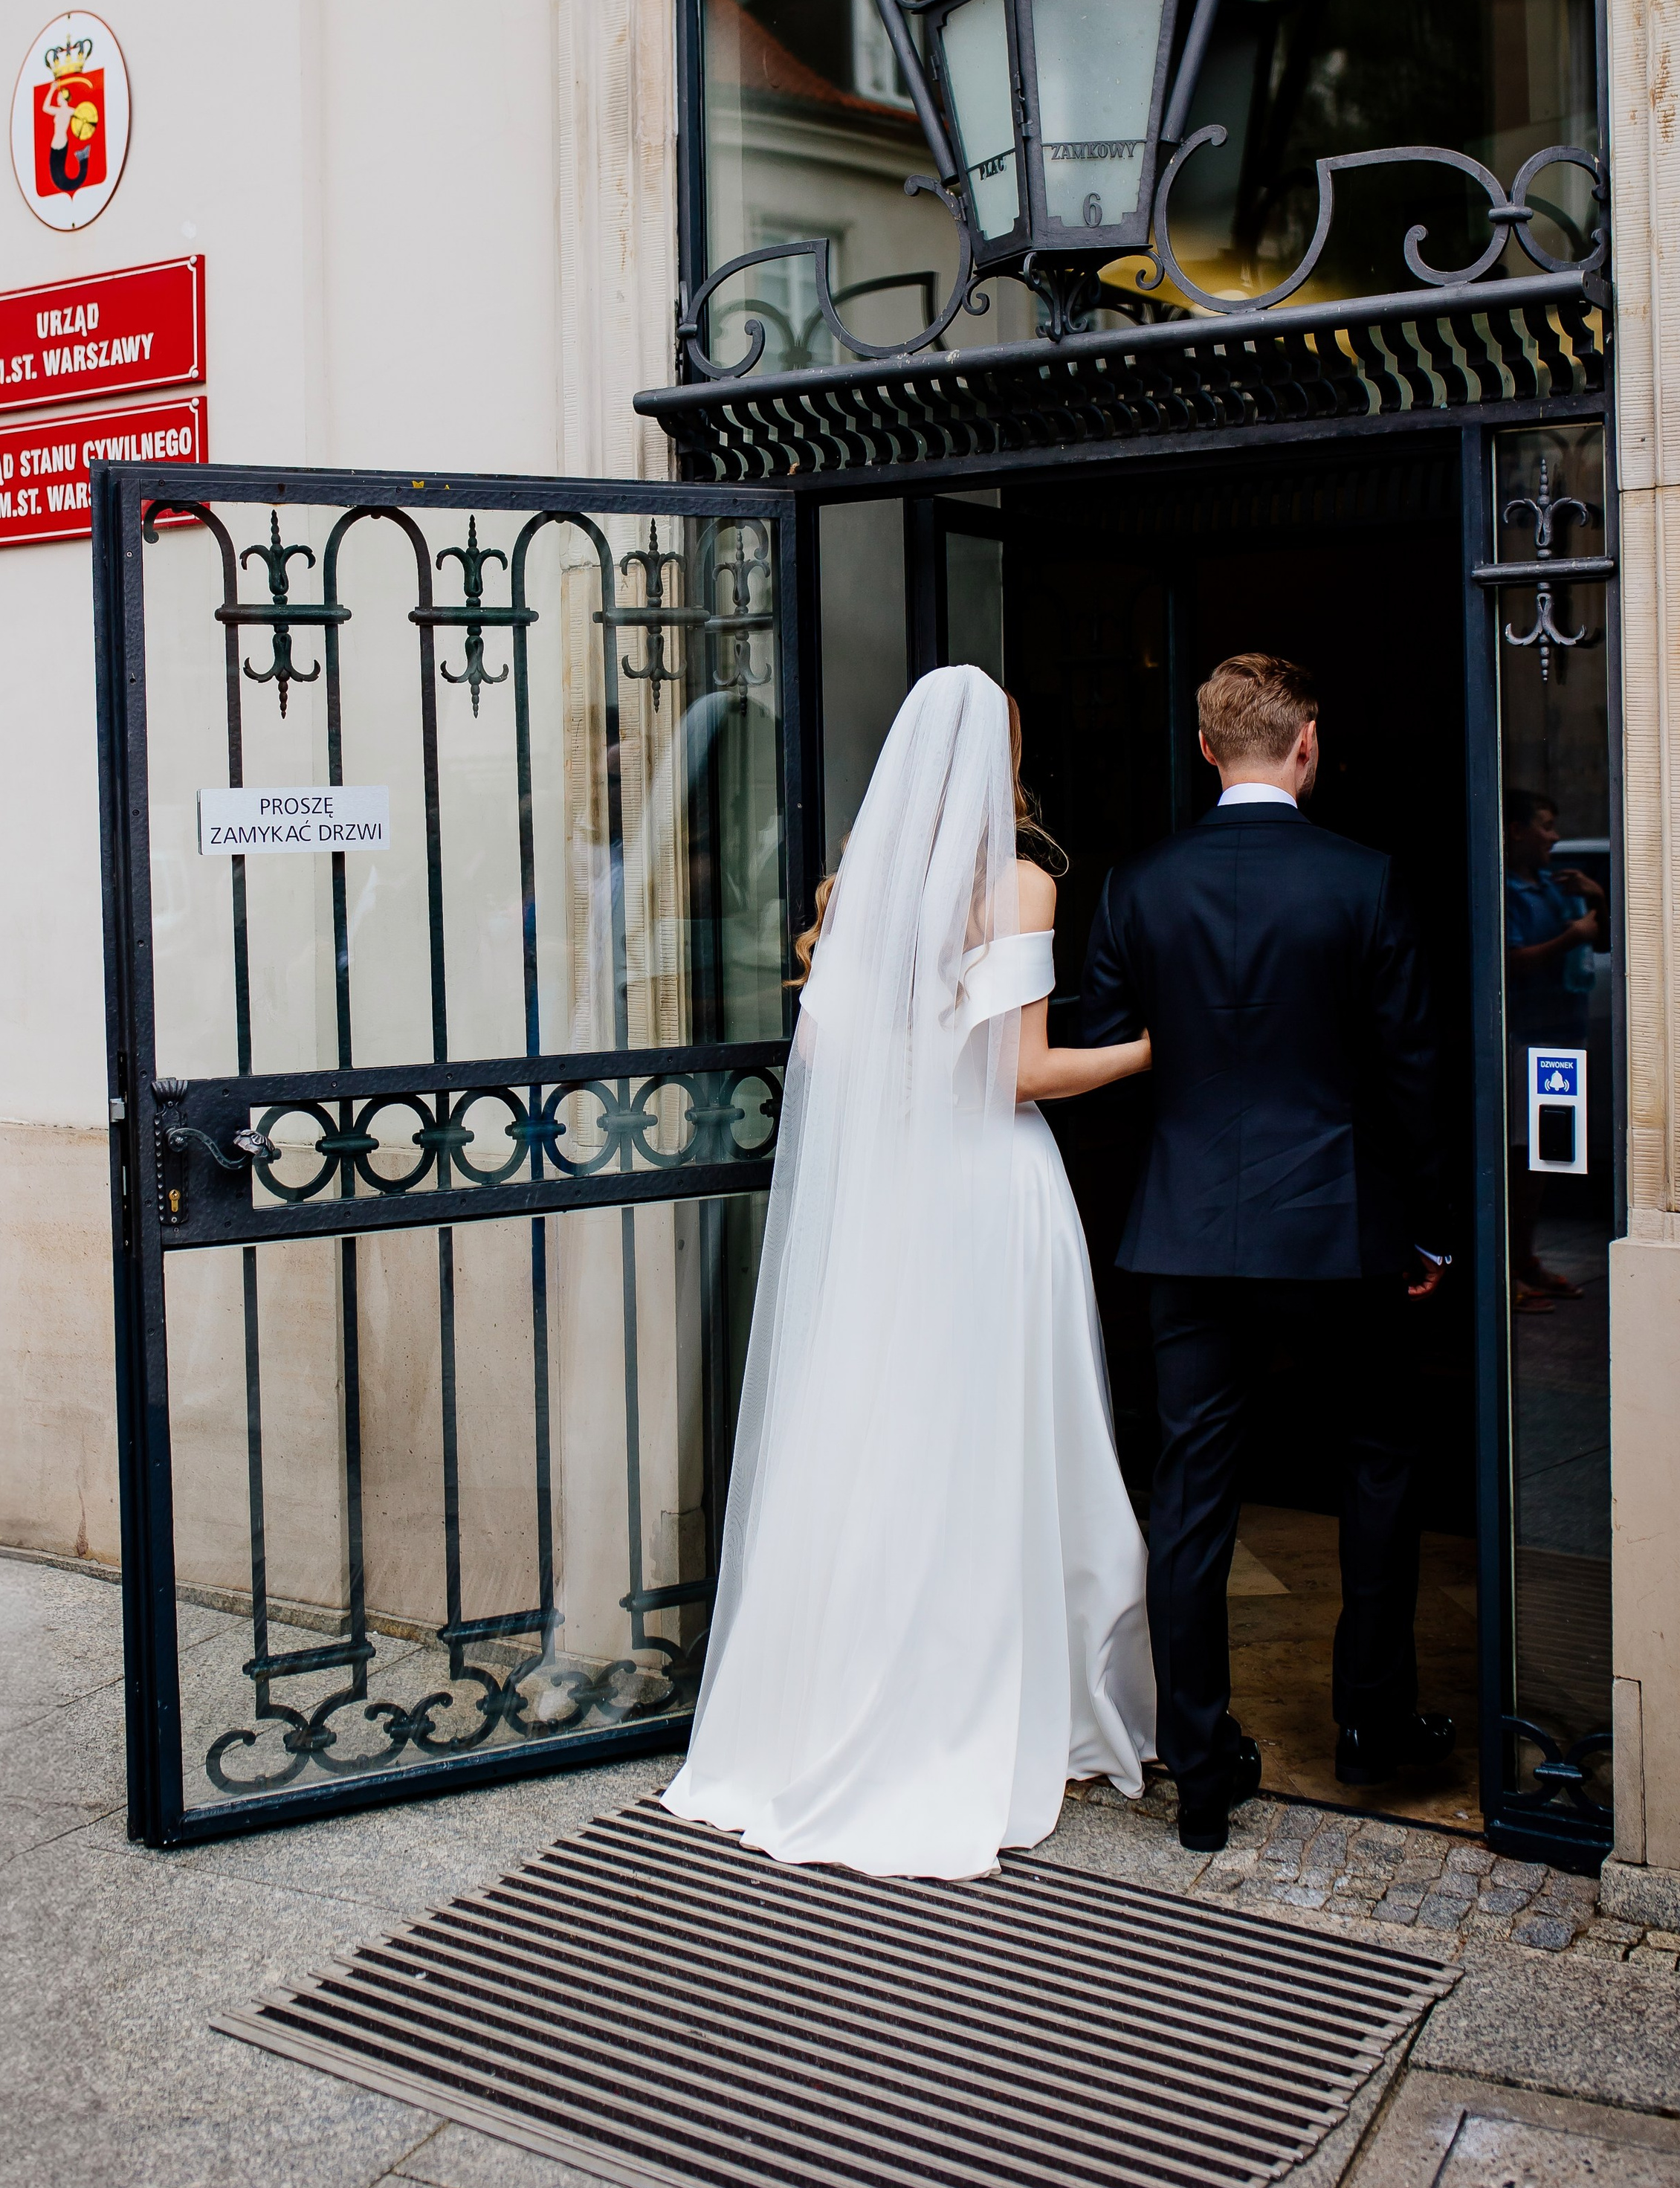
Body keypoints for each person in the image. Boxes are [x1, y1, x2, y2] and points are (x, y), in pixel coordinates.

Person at [664, 665, 1156, 1879]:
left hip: (894, 1202)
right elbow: (1019, 1076)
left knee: (888, 1445)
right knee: (1011, 1445)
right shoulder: (1022, 880)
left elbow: (834, 1069)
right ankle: (1025, 1704)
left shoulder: (859, 894)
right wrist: (1152, 1050)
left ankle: (835, 1706)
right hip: (991, 1194)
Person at [1078, 653, 1450, 1849]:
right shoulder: (1365, 881)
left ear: (1204, 750)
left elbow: (1102, 1050)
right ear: (1304, 745)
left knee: (1191, 1493)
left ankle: (1198, 1767)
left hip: (1189, 1227)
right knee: (1379, 1469)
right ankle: (1372, 1728)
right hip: (1340, 1226)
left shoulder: (1139, 883)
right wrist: (1427, 1226)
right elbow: (1412, 1074)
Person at [1502, 787, 1603, 1307]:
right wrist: (1575, 936)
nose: (1555, 836)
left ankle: (1526, 1260)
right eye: (1544, 824)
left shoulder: (1552, 884)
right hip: (1526, 1040)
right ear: (1516, 831)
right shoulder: (1503, 893)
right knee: (1517, 1160)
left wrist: (1598, 899)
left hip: (1562, 1036)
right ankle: (1507, 1272)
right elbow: (1512, 960)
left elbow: (1597, 938)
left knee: (1541, 1161)